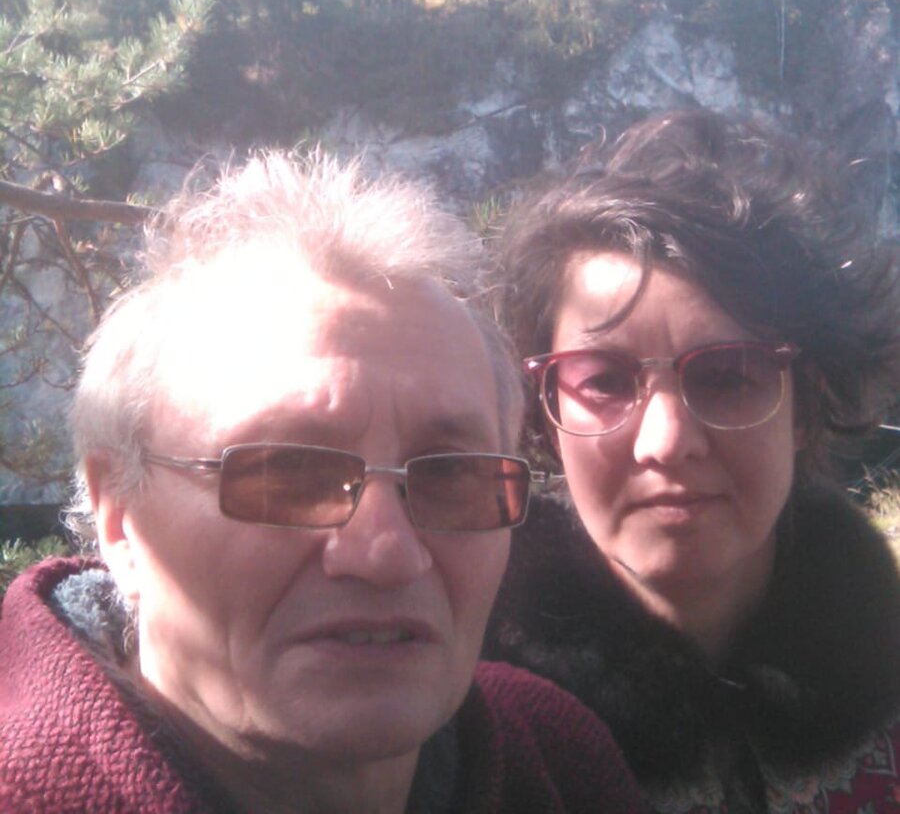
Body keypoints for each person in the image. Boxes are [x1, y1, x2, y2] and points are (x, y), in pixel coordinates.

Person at [0, 152, 645, 814]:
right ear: (119, 518)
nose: (387, 554)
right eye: (288, 473)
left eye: (451, 473)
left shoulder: (556, 757)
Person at [486, 108, 900, 814]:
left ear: (803, 407)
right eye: (602, 380)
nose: (666, 440)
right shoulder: (465, 735)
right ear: (546, 417)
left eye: (728, 375)